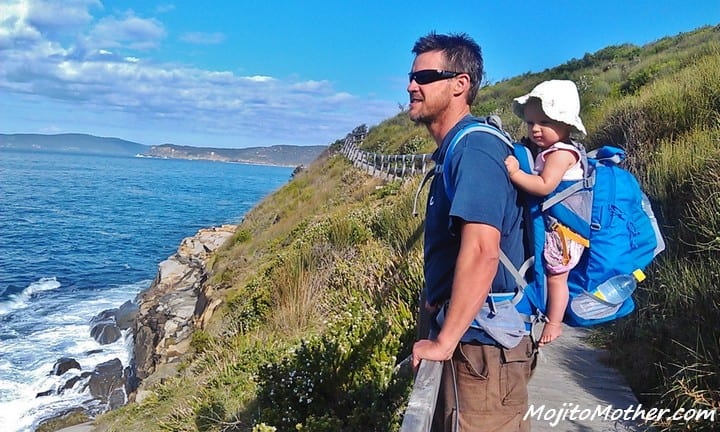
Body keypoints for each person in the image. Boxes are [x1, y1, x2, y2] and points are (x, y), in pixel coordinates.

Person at [409, 32, 536, 432]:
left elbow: (483, 250)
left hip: (484, 350)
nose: (412, 86)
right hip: (476, 341)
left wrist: (444, 342)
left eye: (425, 76)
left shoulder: (475, 149)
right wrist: (438, 298)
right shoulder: (459, 149)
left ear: (460, 84)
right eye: (411, 77)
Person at [504, 80, 588, 346]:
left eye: (544, 122)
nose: (535, 129)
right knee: (553, 273)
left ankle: (554, 322)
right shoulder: (550, 150)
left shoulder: (562, 154)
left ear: (566, 125)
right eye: (530, 123)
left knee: (556, 276)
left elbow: (544, 186)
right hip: (559, 228)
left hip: (566, 233)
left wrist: (515, 173)